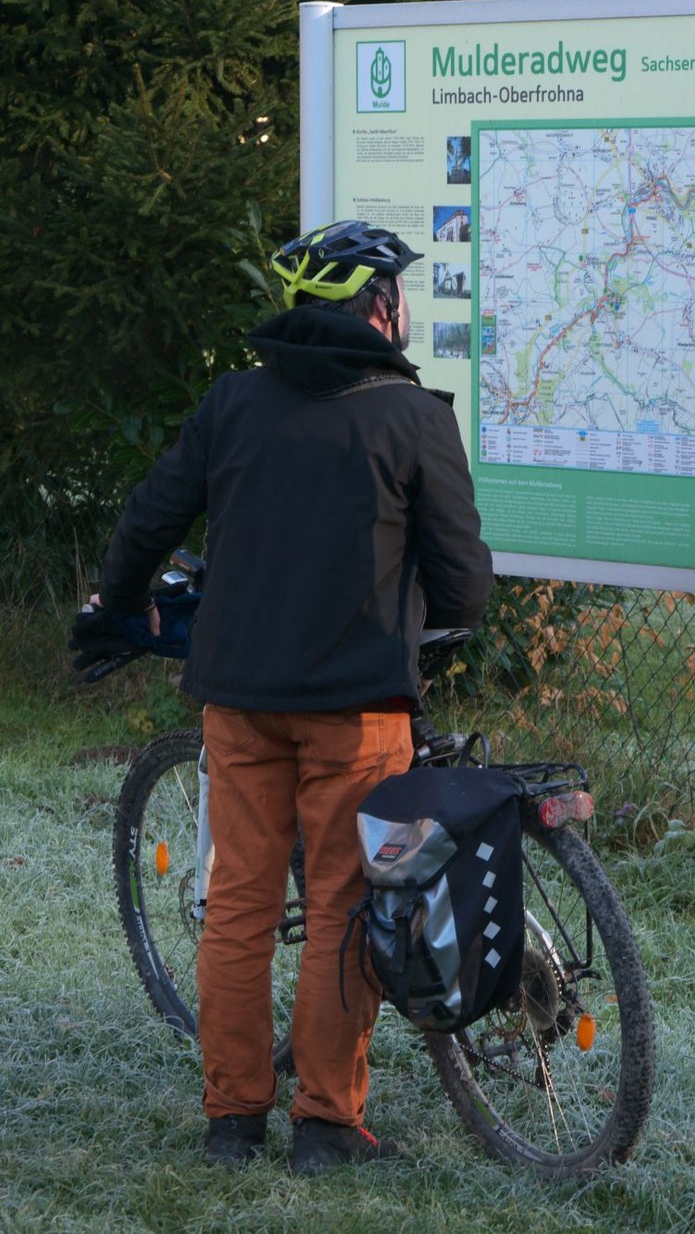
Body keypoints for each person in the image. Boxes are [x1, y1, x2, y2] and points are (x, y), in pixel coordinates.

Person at [94, 220, 493, 1173]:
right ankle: (325, 1122)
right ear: (380, 309)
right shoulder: (411, 414)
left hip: (237, 697)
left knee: (237, 904)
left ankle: (232, 1120)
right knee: (344, 904)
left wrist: (127, 603)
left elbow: (149, 517)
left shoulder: (234, 401)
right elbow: (466, 587)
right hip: (357, 707)